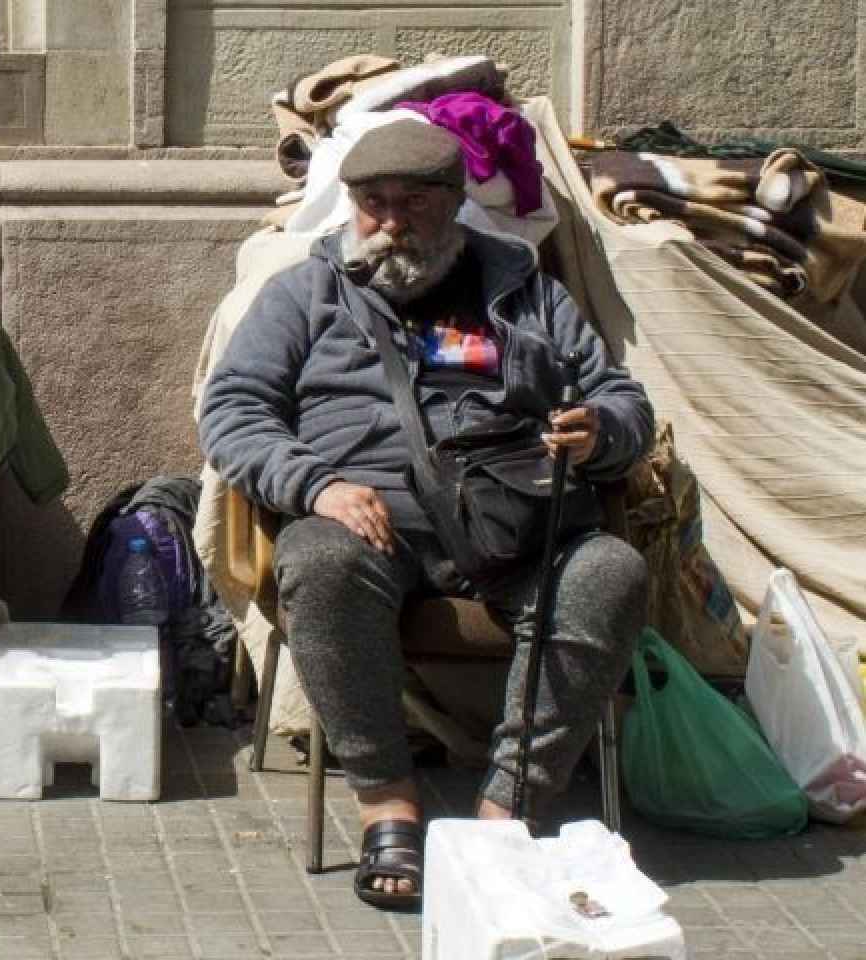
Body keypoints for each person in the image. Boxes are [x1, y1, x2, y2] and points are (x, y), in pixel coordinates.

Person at [198, 119, 653, 910]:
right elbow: (233, 409)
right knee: (321, 559)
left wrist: (600, 434)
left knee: (611, 571)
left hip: (520, 523)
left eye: (413, 202)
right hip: (368, 523)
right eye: (373, 203)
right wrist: (314, 486)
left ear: (455, 203)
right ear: (351, 206)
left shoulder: (525, 291)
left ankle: (505, 813)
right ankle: (388, 805)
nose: (391, 221)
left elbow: (620, 397)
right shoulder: (306, 293)